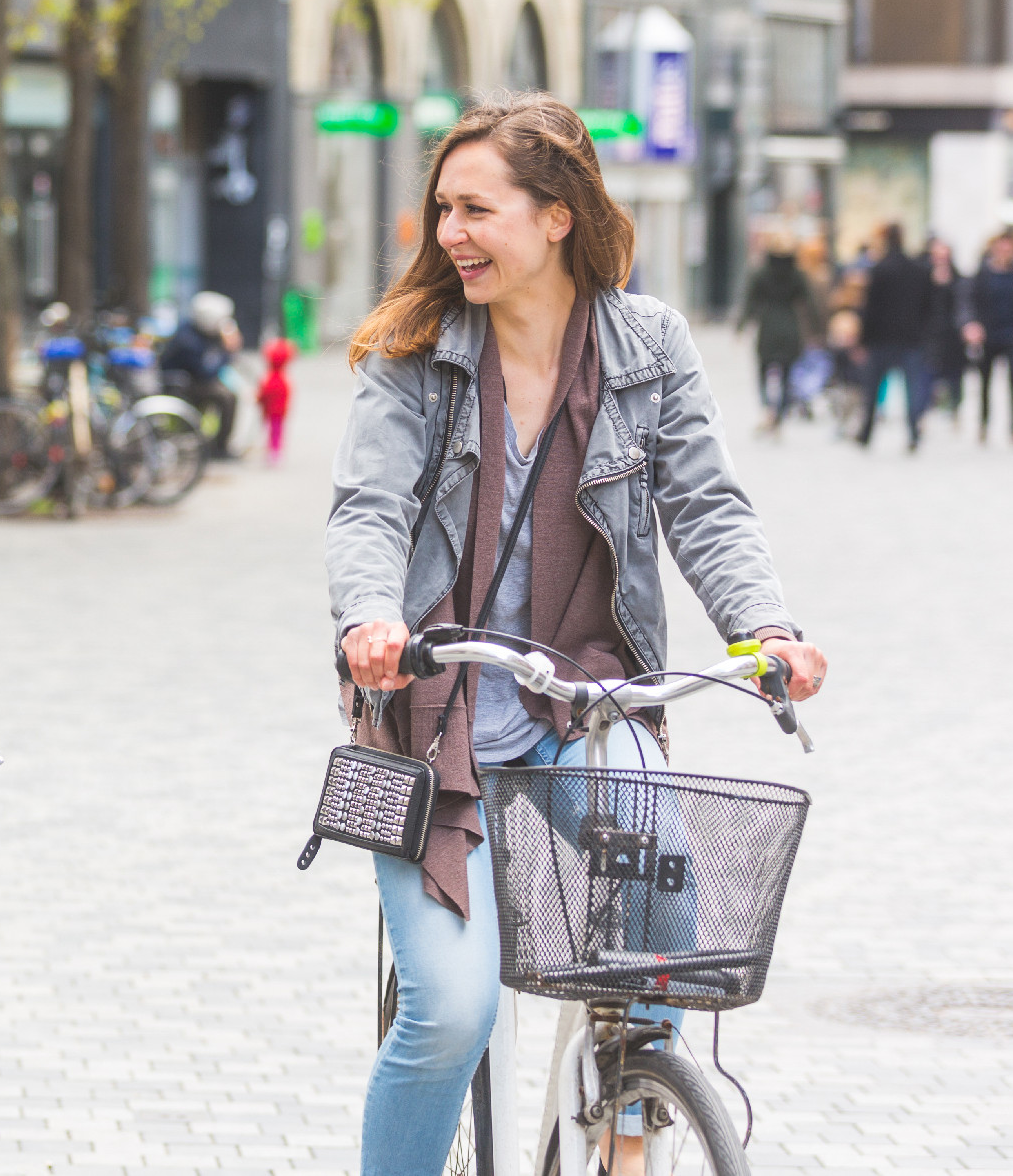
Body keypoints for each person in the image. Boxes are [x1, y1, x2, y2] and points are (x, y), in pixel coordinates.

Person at [324, 95, 826, 1176]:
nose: (448, 232)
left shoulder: (646, 343)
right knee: (451, 1013)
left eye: (475, 208)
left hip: (584, 696)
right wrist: (371, 617)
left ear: (555, 216)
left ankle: (623, 1132)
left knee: (660, 936)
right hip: (429, 712)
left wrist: (764, 626)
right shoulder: (414, 349)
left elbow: (703, 504)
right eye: (440, 208)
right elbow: (366, 507)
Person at [854, 223, 936, 451]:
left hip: (881, 339)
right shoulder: (919, 270)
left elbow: (870, 309)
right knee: (912, 390)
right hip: (911, 339)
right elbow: (928, 307)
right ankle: (913, 433)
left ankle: (866, 432)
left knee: (872, 389)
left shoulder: (879, 269)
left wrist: (863, 340)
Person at [960, 229, 1013, 444]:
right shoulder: (982, 273)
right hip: (989, 335)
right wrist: (972, 325)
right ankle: (984, 423)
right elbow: (969, 300)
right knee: (985, 381)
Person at [736, 236, 820, 431]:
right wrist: (816, 329)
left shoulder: (761, 273)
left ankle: (768, 409)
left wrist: (741, 327)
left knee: (763, 370)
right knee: (787, 374)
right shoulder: (798, 274)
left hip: (768, 326)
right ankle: (779, 414)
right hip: (790, 326)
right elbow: (809, 303)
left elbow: (750, 302)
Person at [161, 290, 242, 457]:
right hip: (181, 385)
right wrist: (227, 351)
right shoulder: (188, 340)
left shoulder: (196, 331)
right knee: (227, 397)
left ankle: (216, 444)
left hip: (191, 381)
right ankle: (220, 448)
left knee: (226, 393)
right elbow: (207, 371)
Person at [924, 236, 967, 415]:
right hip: (930, 333)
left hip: (953, 334)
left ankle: (954, 406)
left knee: (955, 374)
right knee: (929, 372)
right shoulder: (924, 276)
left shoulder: (958, 277)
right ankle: (928, 407)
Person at [256, 337, 295, 464]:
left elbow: (263, 395)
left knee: (270, 431)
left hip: (269, 412)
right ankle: (275, 450)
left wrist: (258, 399)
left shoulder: (268, 380)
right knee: (278, 431)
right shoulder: (284, 381)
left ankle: (272, 451)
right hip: (280, 412)